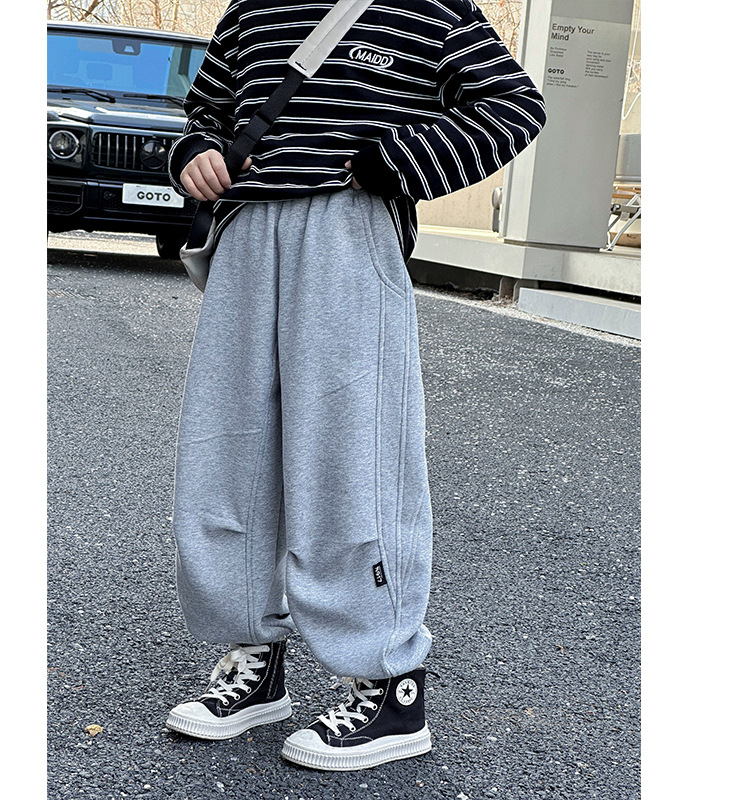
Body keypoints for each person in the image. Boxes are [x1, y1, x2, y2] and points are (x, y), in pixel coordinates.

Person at [164, 0, 546, 771]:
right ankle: (254, 660)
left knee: (352, 457)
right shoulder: (253, 7)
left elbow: (513, 105)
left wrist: (394, 162)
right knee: (226, 453)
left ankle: (389, 686)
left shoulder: (427, 7)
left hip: (349, 227)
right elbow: (205, 109)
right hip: (245, 232)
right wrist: (195, 153)